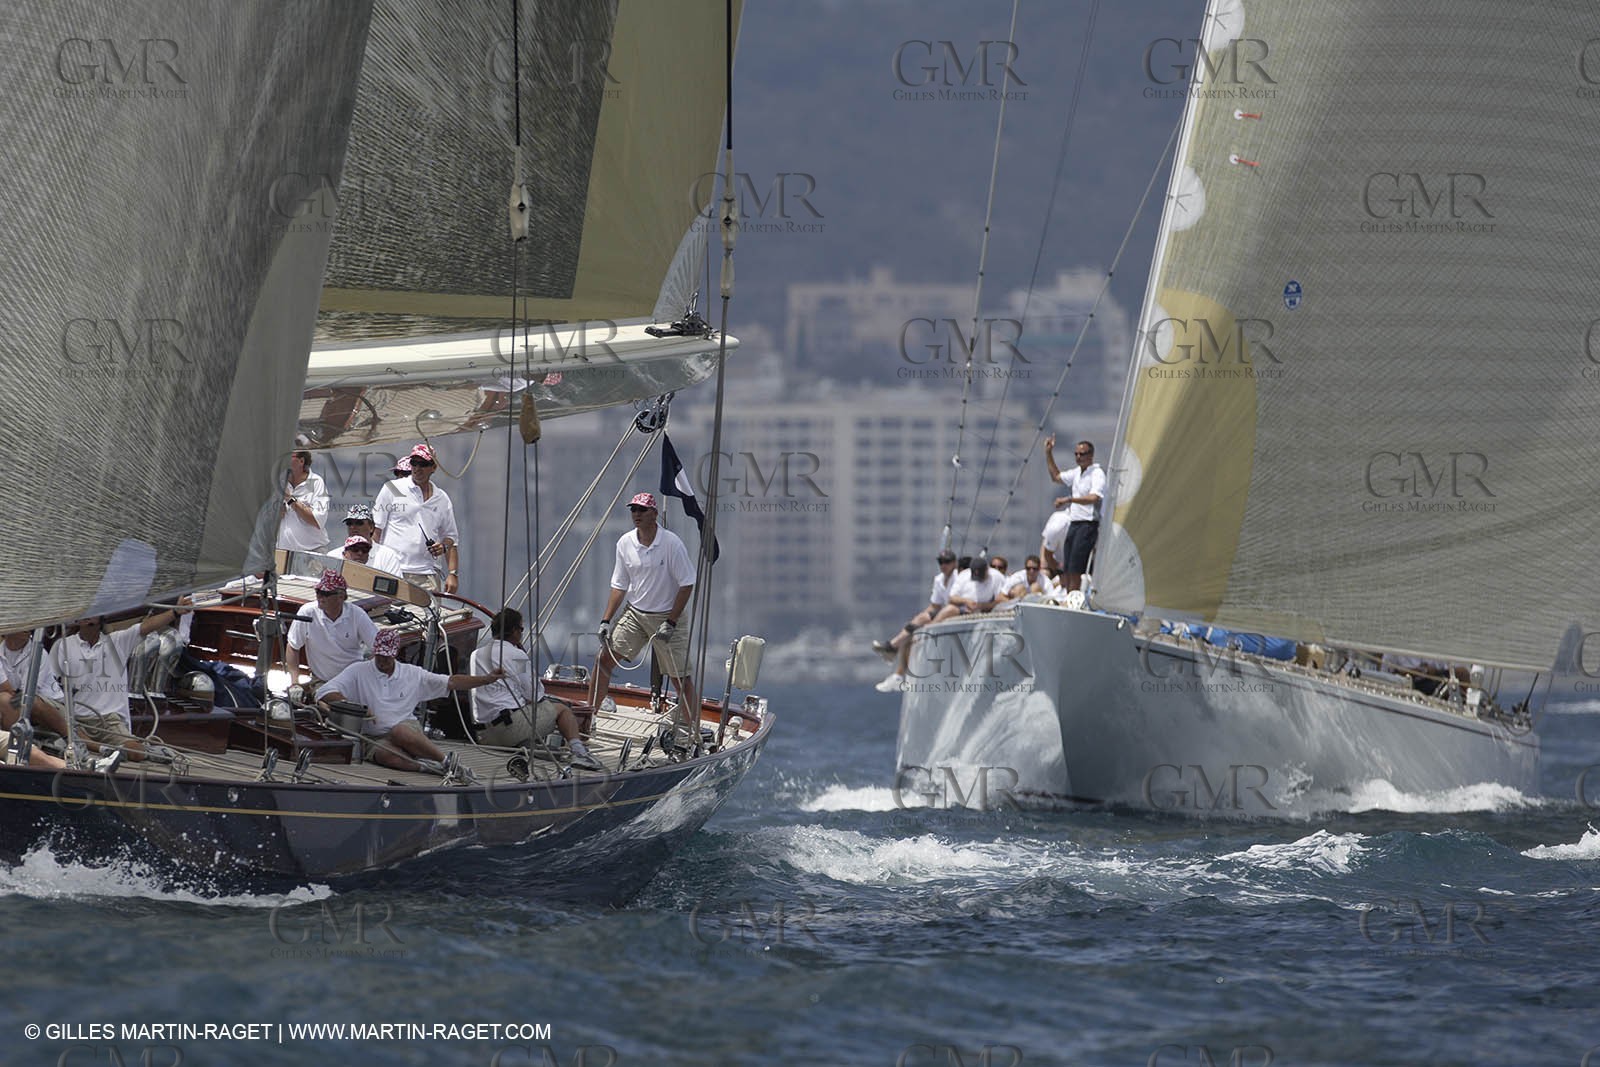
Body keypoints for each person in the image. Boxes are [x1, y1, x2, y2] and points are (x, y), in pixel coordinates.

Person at [591, 492, 699, 748]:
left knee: (679, 677)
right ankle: (589, 715)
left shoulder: (672, 543)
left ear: (654, 514)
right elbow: (619, 585)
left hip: (667, 616)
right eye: (633, 510)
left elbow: (687, 584)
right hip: (636, 613)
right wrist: (606, 620)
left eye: (641, 510)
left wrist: (671, 622)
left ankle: (692, 730)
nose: (636, 515)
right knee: (603, 660)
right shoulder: (625, 543)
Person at [315, 629, 504, 773]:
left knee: (400, 731)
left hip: (405, 729)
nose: (382, 660)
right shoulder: (358, 671)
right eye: (379, 655)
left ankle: (446, 761)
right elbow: (324, 692)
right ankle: (427, 768)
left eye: (386, 656)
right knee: (385, 755)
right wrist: (357, 709)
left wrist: (486, 679)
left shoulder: (412, 674)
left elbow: (451, 681)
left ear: (395, 654)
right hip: (374, 737)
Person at [50, 599, 194, 762]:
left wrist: (175, 612)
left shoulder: (118, 642)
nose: (88, 617)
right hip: (75, 718)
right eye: (84, 612)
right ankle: (102, 749)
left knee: (136, 753)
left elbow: (147, 626)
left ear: (101, 618)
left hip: (109, 721)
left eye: (93, 613)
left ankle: (144, 750)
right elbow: (51, 684)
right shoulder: (63, 646)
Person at [469, 608, 601, 771]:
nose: (522, 634)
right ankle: (580, 754)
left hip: (483, 736)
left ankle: (529, 746)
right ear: (514, 631)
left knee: (524, 713)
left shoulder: (476, 654)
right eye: (521, 629)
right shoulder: (517, 655)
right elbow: (534, 695)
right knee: (562, 710)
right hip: (508, 730)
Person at [372, 443, 459, 593]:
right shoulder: (391, 488)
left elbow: (451, 537)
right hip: (393, 570)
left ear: (433, 467)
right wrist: (371, 566)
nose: (417, 468)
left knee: (429, 617)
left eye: (423, 464)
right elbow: (375, 531)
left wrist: (452, 573)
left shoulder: (442, 498)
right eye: (414, 463)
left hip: (428, 574)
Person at [874, 550, 960, 693]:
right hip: (942, 614)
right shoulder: (939, 579)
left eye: (947, 562)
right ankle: (897, 670)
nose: (943, 565)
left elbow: (955, 602)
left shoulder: (959, 578)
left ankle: (893, 650)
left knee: (917, 636)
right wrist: (922, 616)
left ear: (954, 563)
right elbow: (935, 605)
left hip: (955, 614)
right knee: (912, 633)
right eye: (941, 562)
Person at [288, 570, 379, 687]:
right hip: (321, 681)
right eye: (318, 592)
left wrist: (368, 674)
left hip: (354, 681)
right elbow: (292, 646)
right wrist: (295, 683)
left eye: (325, 594)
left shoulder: (357, 614)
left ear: (341, 596)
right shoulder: (307, 612)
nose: (320, 597)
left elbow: (379, 647)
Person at [1043, 435, 1105, 592]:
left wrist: (1069, 500)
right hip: (1075, 523)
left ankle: (1075, 597)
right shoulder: (1077, 472)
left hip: (1087, 523)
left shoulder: (1096, 473)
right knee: (1069, 567)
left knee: (1077, 568)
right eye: (1076, 454)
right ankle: (1070, 595)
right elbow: (1056, 477)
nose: (1079, 457)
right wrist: (1049, 453)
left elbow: (1094, 497)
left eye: (1082, 454)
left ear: (1090, 455)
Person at [0, 630, 72, 739]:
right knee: (8, 700)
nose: (28, 628)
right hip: (17, 703)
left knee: (19, 700)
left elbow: (26, 693)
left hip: (52, 705)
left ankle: (71, 737)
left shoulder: (39, 652)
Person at [276, 450, 331, 570]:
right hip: (283, 554)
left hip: (311, 554)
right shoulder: (279, 482)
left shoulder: (316, 483)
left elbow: (317, 521)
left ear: (301, 461)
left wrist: (290, 499)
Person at [335, 504, 404, 574]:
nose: (353, 527)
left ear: (371, 527)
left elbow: (396, 583)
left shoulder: (387, 556)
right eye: (349, 523)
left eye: (359, 523)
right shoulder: (334, 556)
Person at [934, 556, 1006, 622]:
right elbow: (951, 598)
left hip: (988, 613)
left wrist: (982, 606)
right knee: (949, 609)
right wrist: (966, 601)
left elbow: (1002, 600)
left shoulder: (997, 577)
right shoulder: (964, 575)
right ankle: (929, 633)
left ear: (987, 570)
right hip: (964, 611)